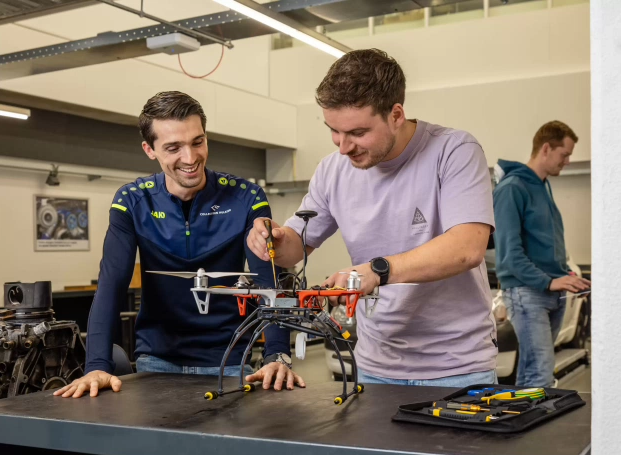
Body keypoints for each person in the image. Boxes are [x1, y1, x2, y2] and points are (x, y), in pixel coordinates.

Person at [246, 49, 497, 388]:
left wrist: (377, 271)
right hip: (375, 364)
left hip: (457, 366)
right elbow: (294, 247)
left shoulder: (454, 151)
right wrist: (271, 239)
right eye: (334, 131)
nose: (343, 147)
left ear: (396, 114)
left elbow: (466, 249)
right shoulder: (332, 170)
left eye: (358, 132)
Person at [55, 91, 304, 398]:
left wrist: (277, 355)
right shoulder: (132, 201)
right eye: (173, 147)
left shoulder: (247, 197)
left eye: (197, 142)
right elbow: (112, 284)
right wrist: (96, 366)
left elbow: (266, 282)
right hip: (155, 361)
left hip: (229, 360)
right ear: (150, 149)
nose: (190, 158)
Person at [493, 121, 590, 387]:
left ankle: (527, 425)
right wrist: (548, 281)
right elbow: (509, 255)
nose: (568, 161)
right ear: (546, 148)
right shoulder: (512, 188)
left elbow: (543, 244)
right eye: (565, 154)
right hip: (528, 293)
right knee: (539, 376)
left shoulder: (542, 186)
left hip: (550, 294)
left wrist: (564, 274)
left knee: (534, 375)